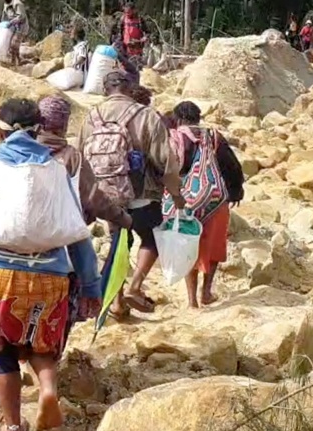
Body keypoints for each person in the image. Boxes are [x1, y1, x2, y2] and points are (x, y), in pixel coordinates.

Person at [0, 98, 102, 431]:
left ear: (0, 130)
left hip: (2, 274)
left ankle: (15, 430)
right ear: (40, 129)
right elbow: (76, 232)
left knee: (3, 350)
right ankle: (48, 388)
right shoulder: (56, 169)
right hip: (52, 275)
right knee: (42, 341)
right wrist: (91, 285)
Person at [79, 71, 185, 315]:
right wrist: (176, 193)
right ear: (128, 89)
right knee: (150, 238)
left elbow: (81, 156)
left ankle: (116, 302)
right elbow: (164, 160)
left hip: (107, 196)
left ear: (105, 90)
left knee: (119, 245)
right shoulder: (146, 115)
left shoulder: (91, 116)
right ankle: (135, 286)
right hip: (142, 192)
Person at [166, 102, 245, 309]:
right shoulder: (214, 136)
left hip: (184, 201)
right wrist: (236, 191)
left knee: (188, 244)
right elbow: (232, 165)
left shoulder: (175, 137)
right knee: (214, 246)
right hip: (214, 200)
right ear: (198, 117)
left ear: (178, 119)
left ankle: (191, 300)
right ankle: (206, 292)